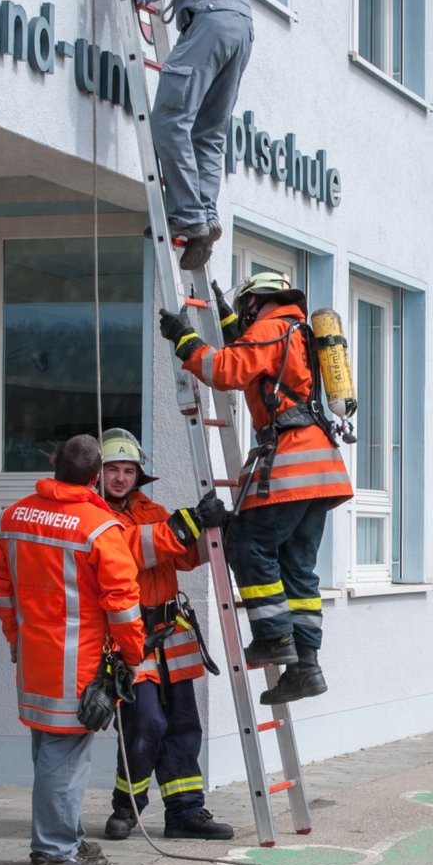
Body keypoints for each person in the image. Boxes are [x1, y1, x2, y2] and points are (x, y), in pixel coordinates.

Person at [159, 271, 352, 704]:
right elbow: (251, 355)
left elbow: (224, 369)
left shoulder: (271, 328)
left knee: (248, 545)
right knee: (298, 568)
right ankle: (306, 666)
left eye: (244, 309)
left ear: (255, 302)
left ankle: (272, 638)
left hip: (290, 465)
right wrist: (226, 320)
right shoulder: (298, 331)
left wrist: (183, 339)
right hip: (321, 470)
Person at [0, 435, 146, 865]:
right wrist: (133, 656)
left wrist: (13, 634)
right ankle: (54, 851)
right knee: (65, 757)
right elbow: (122, 603)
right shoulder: (98, 526)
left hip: (34, 657)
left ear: (54, 464)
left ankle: (65, 837)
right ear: (96, 476)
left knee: (50, 751)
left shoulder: (13, 516)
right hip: (79, 664)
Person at [93, 430, 234, 843]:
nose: (120, 478)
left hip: (171, 632)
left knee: (183, 724)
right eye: (112, 469)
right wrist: (187, 523)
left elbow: (184, 555)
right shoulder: (96, 516)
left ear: (138, 474)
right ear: (97, 473)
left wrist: (215, 530)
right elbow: (132, 550)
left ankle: (185, 812)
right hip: (129, 635)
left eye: (128, 470)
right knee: (146, 723)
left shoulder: (150, 509)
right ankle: (127, 806)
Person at [129, 0, 254, 269]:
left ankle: (189, 217)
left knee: (169, 116)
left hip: (209, 21)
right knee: (209, 131)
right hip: (241, 28)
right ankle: (206, 215)